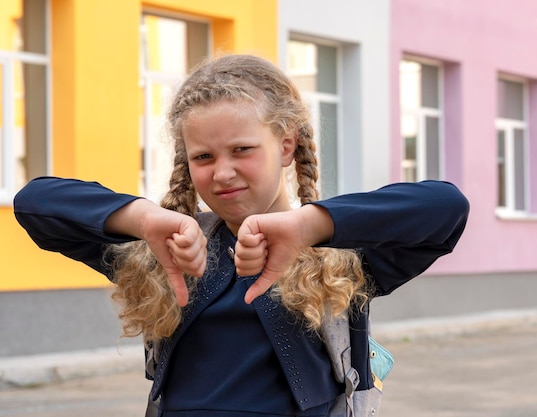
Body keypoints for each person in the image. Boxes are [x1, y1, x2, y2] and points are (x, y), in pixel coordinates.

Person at [13, 54, 470, 417]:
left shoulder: (341, 258)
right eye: (204, 157)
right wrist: (142, 219)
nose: (223, 173)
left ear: (286, 146)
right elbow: (36, 203)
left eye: (242, 150)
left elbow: (445, 209)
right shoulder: (163, 251)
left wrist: (308, 226)